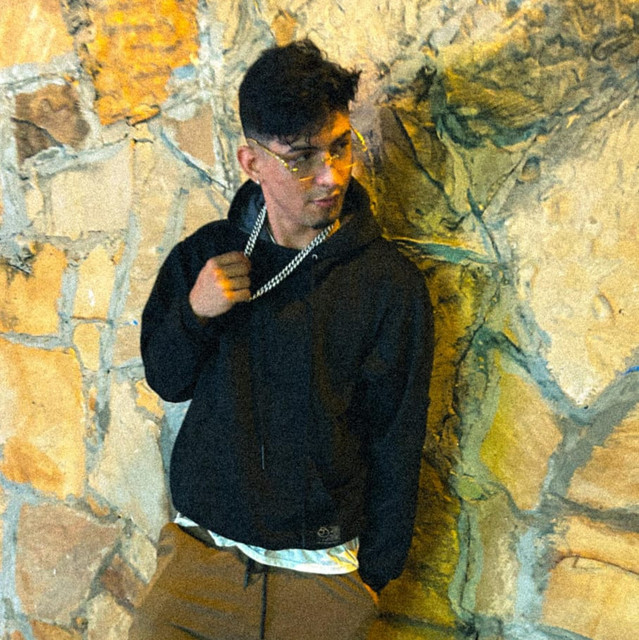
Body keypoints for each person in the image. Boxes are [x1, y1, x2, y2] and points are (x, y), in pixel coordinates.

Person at [130, 39, 434, 640]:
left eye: (341, 146)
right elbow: (167, 380)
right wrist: (196, 312)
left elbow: (397, 439)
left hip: (320, 579)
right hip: (203, 560)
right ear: (252, 162)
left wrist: (373, 579)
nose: (331, 175)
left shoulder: (388, 285)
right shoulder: (206, 254)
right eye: (301, 158)